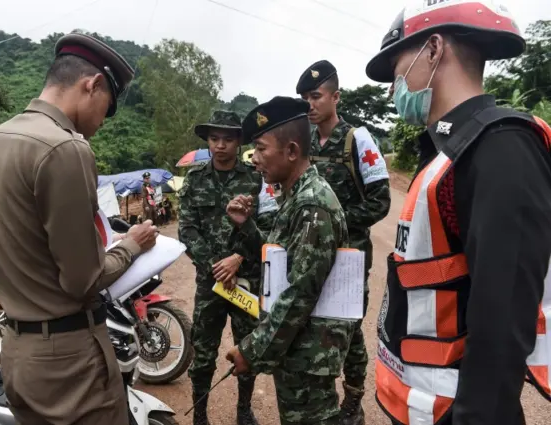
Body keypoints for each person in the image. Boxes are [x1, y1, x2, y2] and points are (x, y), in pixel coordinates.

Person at [366, 2, 551, 425]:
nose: (394, 86)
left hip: (460, 411)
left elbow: (503, 319)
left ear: (433, 49)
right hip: (427, 404)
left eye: (397, 68)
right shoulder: (449, 151)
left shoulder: (501, 148)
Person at [0, 32, 158, 425]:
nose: (103, 124)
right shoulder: (65, 148)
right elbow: (83, 281)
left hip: (20, 354)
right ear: (90, 85)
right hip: (69, 364)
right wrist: (131, 246)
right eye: (107, 108)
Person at [225, 96, 355, 425]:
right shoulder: (297, 196)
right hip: (298, 350)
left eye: (261, 148)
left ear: (292, 151)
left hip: (309, 354)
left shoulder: (313, 204)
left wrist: (251, 351)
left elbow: (299, 293)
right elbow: (282, 260)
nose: (254, 159)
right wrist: (248, 227)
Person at [296, 60, 391, 425]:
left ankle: (353, 399)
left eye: (316, 96)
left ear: (335, 97)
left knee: (348, 328)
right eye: (305, 97)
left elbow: (380, 200)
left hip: (350, 256)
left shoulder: (357, 140)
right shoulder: (302, 142)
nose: (310, 104)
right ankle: (321, 396)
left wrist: (336, 224)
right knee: (313, 322)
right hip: (310, 255)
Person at [178, 110, 277, 425]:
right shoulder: (194, 180)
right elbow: (187, 230)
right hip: (210, 284)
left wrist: (239, 259)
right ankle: (200, 416)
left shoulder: (256, 179)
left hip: (246, 281)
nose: (220, 145)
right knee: (203, 353)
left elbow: (269, 229)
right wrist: (215, 266)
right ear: (208, 141)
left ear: (239, 142)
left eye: (228, 139)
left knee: (248, 348)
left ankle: (244, 410)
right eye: (214, 138)